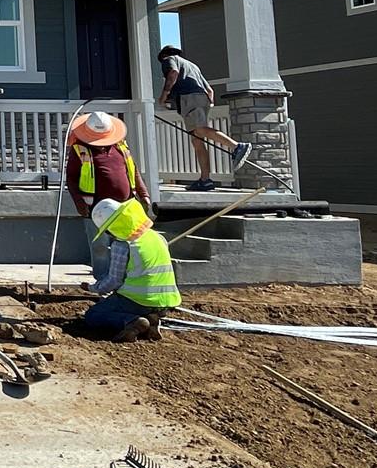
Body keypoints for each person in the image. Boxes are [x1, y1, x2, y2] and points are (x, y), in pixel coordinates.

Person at [65, 110, 153, 285]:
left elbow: (133, 171)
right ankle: (103, 281)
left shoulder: (121, 147)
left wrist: (144, 194)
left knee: (127, 244)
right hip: (96, 209)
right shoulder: (80, 150)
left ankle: (125, 281)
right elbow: (72, 179)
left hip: (125, 207)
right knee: (100, 247)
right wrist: (79, 203)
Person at [79, 197, 181, 342]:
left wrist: (92, 287)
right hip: (164, 301)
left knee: (93, 315)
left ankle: (132, 321)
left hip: (137, 300)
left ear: (112, 227)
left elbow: (114, 281)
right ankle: (151, 318)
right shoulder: (156, 236)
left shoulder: (122, 245)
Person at [156, 45, 250, 191]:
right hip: (201, 98)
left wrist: (164, 95)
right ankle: (205, 180)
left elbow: (173, 73)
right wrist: (208, 104)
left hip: (190, 98)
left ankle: (237, 146)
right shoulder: (192, 66)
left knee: (199, 130)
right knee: (197, 140)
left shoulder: (169, 60)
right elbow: (210, 90)